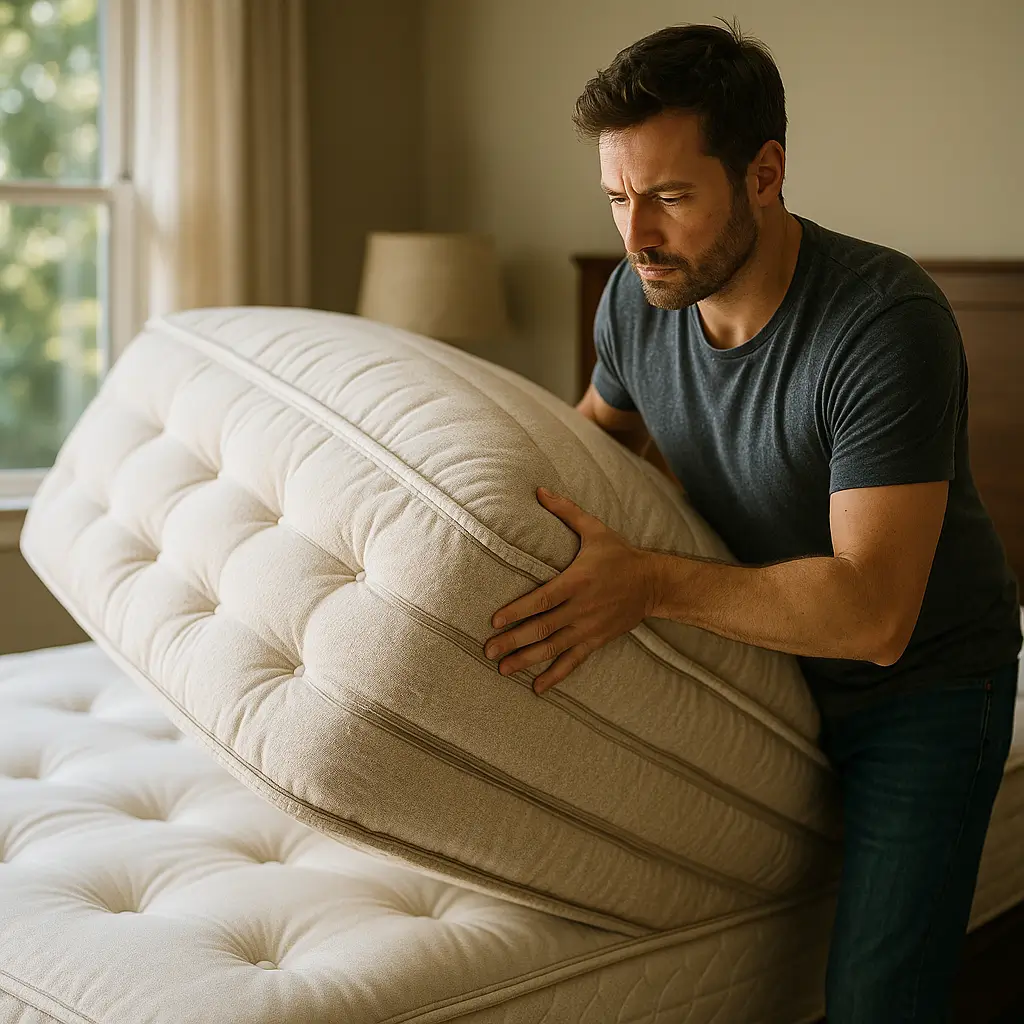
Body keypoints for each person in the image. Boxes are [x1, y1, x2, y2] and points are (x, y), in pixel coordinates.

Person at [480, 20, 1022, 1024]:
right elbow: (581, 469)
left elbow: (873, 613)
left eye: (670, 197)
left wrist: (642, 581)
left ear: (764, 173)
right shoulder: (634, 303)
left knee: (870, 1001)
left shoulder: (882, 321)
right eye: (616, 197)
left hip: (925, 687)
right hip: (754, 662)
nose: (635, 233)